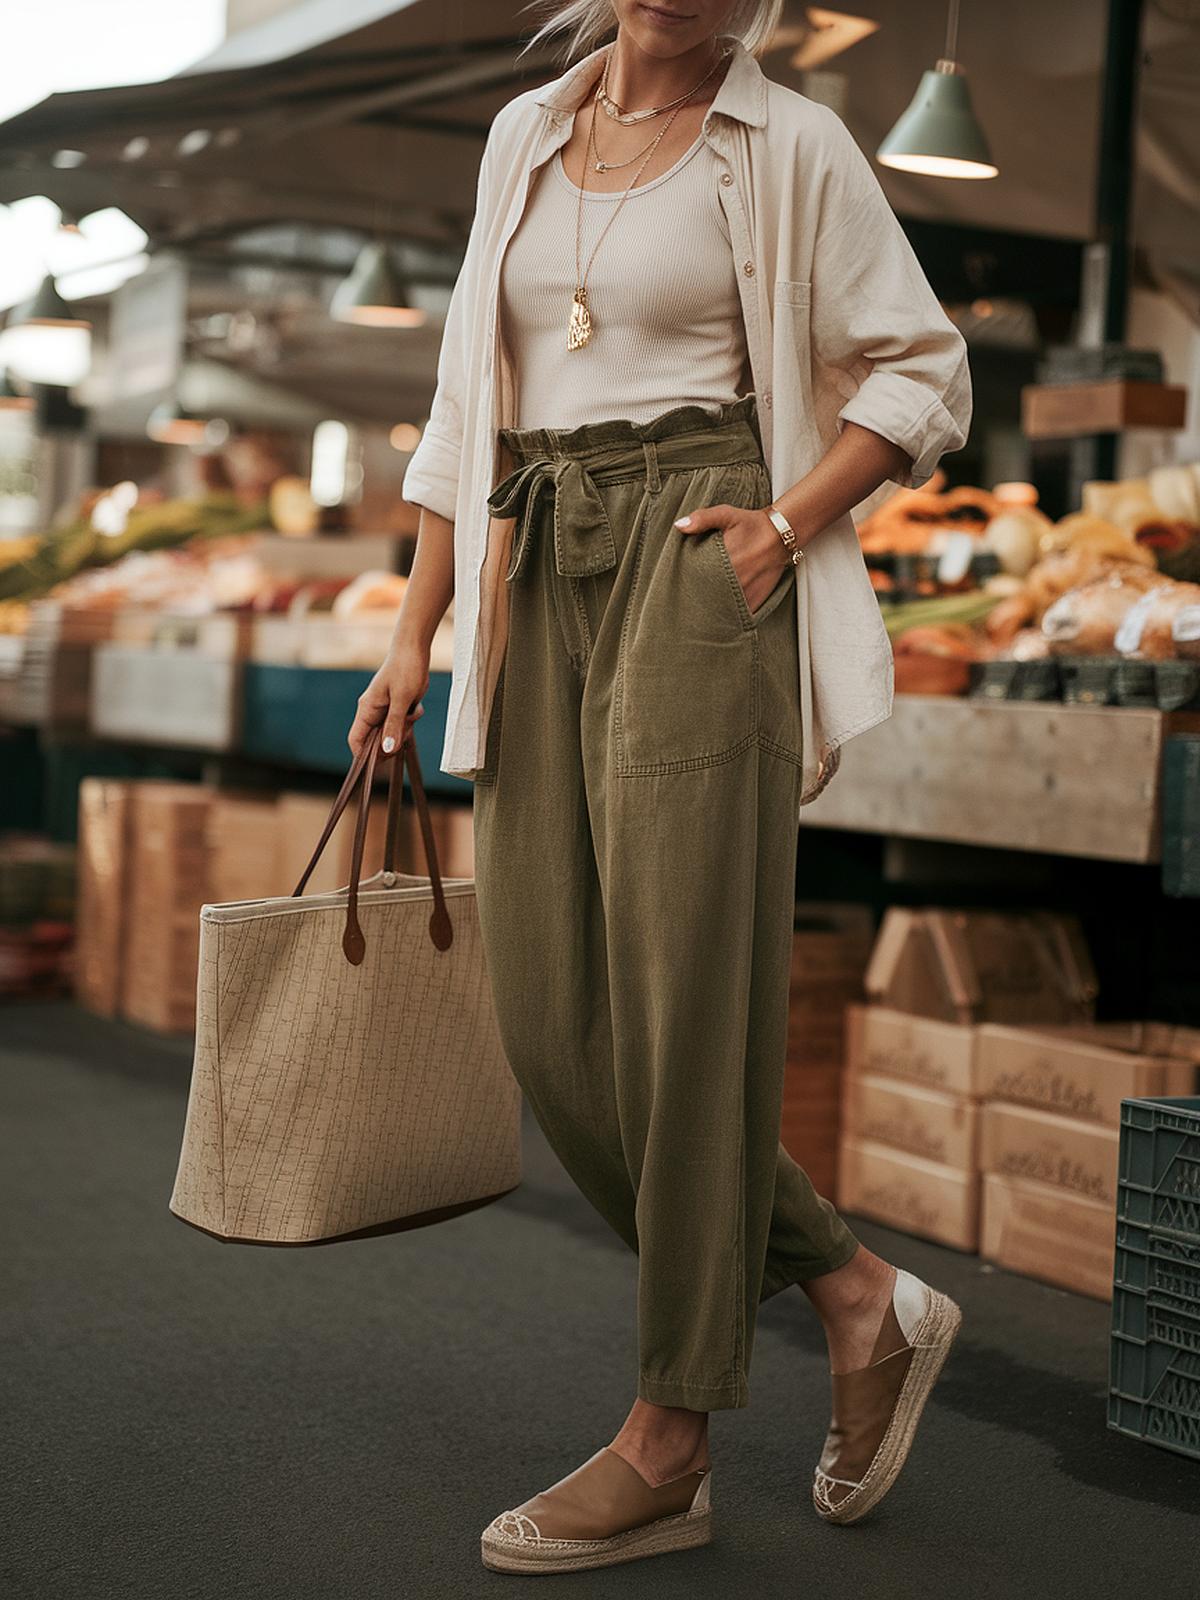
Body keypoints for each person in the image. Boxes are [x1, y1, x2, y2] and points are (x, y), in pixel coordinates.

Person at [347, 0, 973, 1575]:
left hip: (701, 546)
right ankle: (852, 1293)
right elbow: (460, 419)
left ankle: (670, 1438)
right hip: (535, 558)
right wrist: (410, 638)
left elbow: (921, 371)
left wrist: (787, 517)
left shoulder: (794, 146)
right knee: (554, 1019)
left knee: (689, 1011)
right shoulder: (523, 136)